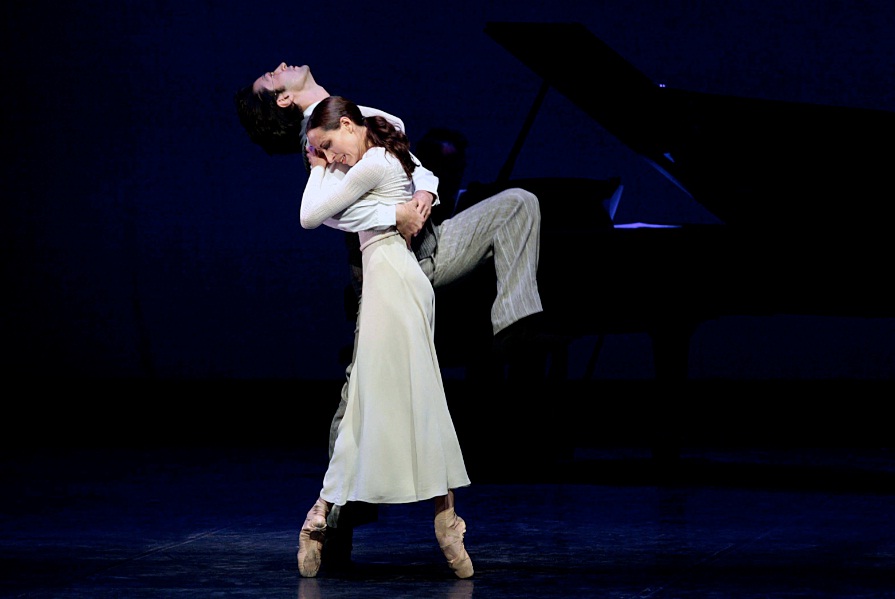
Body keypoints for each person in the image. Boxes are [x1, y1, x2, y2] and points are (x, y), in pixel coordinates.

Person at [234, 62, 544, 566]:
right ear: (284, 102)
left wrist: (425, 191)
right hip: (386, 264)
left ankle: (514, 324)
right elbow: (332, 213)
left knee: (517, 204)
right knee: (358, 401)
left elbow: (410, 164)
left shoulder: (348, 115)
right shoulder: (321, 138)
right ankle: (331, 526)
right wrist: (391, 214)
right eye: (271, 79)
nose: (278, 68)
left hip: (426, 243)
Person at [296, 95, 473, 579]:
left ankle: (323, 519)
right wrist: (323, 144)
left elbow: (311, 217)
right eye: (322, 151)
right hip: (388, 281)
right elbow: (340, 214)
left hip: (393, 282)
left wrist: (314, 165)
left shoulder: (373, 162)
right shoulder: (375, 153)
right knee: (380, 404)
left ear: (351, 125)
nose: (330, 157)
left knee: (404, 402)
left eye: (329, 145)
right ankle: (443, 522)